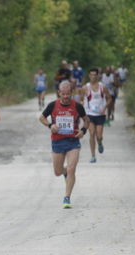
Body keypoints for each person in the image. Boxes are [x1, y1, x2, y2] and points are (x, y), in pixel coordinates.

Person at [39, 80, 90, 208]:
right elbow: (41, 118)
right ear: (59, 93)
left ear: (72, 93)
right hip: (57, 141)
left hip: (73, 141)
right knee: (57, 172)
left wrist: (83, 131)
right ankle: (65, 172)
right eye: (63, 94)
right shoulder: (52, 105)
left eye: (68, 94)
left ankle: (67, 198)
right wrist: (50, 125)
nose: (66, 97)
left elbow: (86, 120)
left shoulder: (77, 106)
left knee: (72, 169)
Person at [80, 68, 112, 163]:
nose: (93, 77)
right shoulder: (85, 87)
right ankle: (93, 155)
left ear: (98, 76)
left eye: (95, 75)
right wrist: (82, 106)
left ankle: (100, 142)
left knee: (99, 136)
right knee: (92, 133)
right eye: (91, 75)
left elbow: (109, 98)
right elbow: (81, 99)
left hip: (100, 114)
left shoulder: (103, 87)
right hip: (89, 114)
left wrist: (104, 108)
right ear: (89, 76)